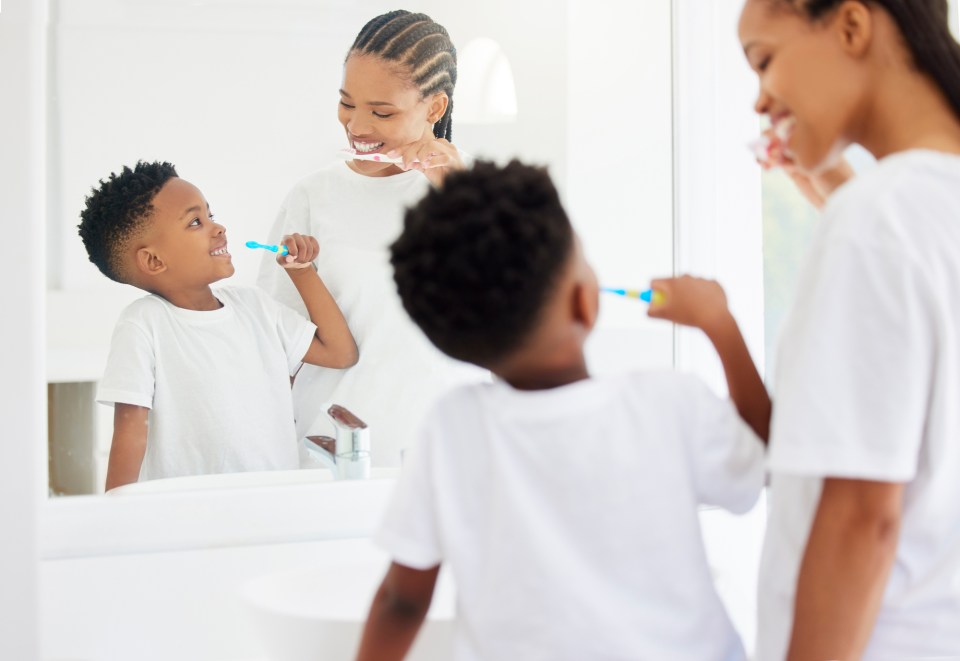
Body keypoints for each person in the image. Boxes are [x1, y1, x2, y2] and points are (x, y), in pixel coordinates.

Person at [354, 160, 770, 661]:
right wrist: (719, 322)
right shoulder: (666, 403)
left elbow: (401, 600)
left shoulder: (452, 427)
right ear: (584, 302)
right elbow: (764, 458)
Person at [725, 1, 960, 658]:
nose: (759, 100)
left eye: (764, 59)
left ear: (852, 26)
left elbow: (863, 515)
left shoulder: (877, 219)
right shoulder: (920, 206)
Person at [257, 10, 486, 467]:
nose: (357, 126)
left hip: (444, 454)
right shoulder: (312, 196)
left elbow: (511, 317)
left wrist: (458, 199)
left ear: (435, 108)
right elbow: (275, 344)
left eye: (382, 111)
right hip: (327, 450)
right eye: (347, 103)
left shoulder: (478, 190)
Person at [77, 161, 358, 490]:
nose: (218, 227)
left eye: (210, 214)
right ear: (153, 260)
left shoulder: (255, 307)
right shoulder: (144, 323)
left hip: (274, 502)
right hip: (189, 515)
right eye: (195, 222)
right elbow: (130, 428)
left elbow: (340, 353)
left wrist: (302, 271)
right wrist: (115, 516)